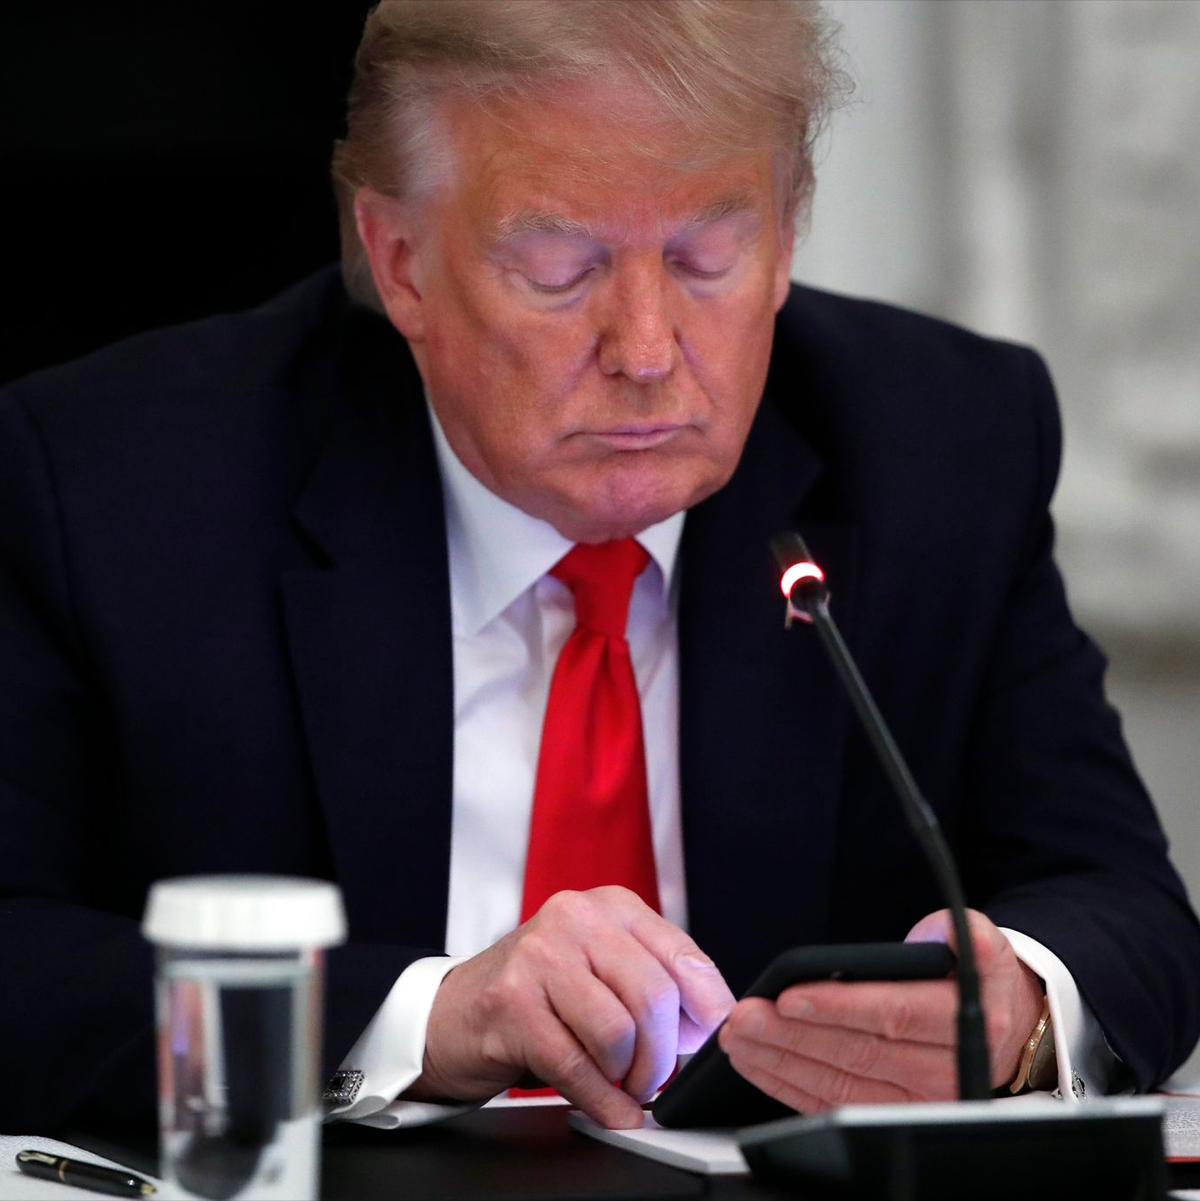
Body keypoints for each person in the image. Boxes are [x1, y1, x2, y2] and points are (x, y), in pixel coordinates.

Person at [1, 0, 1197, 1137]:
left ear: (787, 235)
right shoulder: (121, 487)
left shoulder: (941, 451)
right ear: (401, 259)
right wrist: (421, 1018)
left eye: (706, 256)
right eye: (561, 267)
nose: (646, 349)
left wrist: (1020, 1009)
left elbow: (1125, 906)